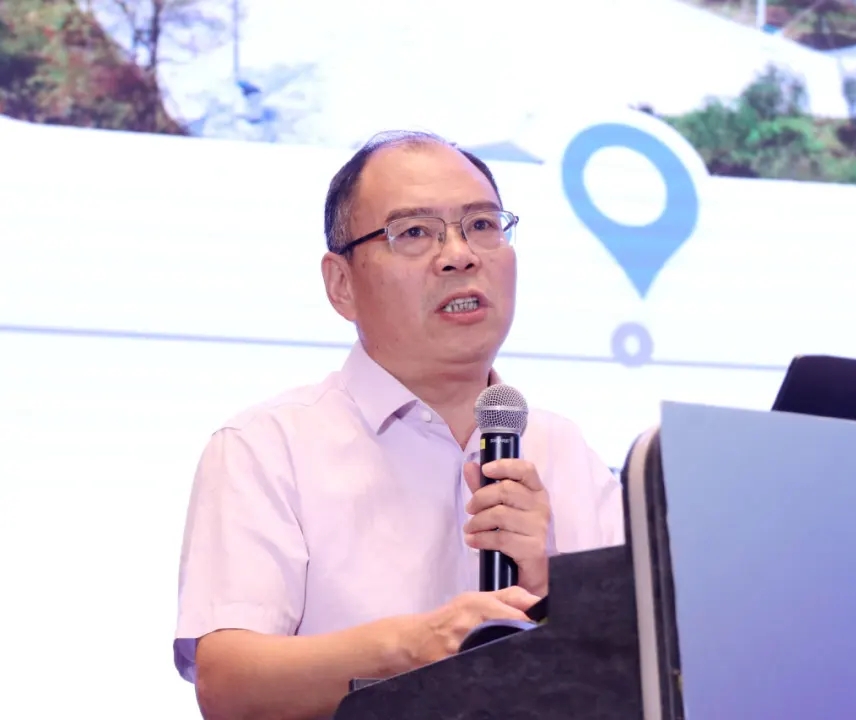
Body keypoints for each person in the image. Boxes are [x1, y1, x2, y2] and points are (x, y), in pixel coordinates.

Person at [173, 130, 625, 720]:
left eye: (482, 225)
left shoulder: (564, 451)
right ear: (341, 284)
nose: (460, 254)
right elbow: (229, 684)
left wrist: (552, 589)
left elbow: (651, 669)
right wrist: (418, 645)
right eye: (414, 232)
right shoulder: (267, 447)